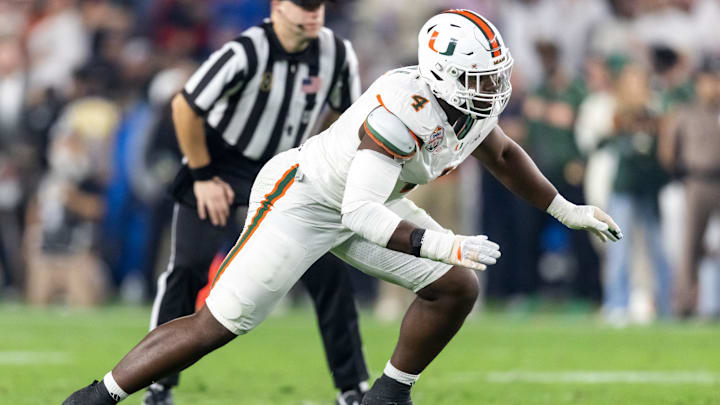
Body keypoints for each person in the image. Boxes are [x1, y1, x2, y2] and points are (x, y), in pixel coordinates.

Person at [64, 9, 622, 405]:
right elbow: (359, 213)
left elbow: (502, 153)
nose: (493, 86)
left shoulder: (465, 107)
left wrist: (565, 210)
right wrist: (444, 242)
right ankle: (96, 397)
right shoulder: (402, 109)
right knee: (217, 326)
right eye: (480, 77)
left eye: (494, 73)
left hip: (367, 203)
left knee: (455, 287)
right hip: (304, 201)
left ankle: (387, 395)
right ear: (444, 75)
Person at [142, 1, 369, 404]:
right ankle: (158, 384)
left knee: (328, 272)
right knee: (189, 268)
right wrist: (201, 176)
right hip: (221, 164)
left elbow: (347, 115)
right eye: (302, 5)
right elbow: (185, 106)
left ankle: (352, 389)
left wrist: (319, 155)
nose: (313, 12)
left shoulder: (337, 54)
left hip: (286, 166)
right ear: (277, 6)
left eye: (317, 4)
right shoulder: (247, 50)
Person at [660, 55, 720, 317]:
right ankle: (686, 304)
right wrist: (680, 173)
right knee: (690, 246)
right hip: (696, 180)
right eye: (709, 81)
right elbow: (667, 152)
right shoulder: (685, 112)